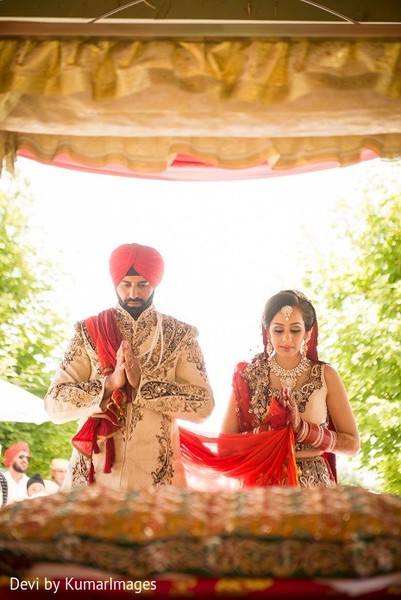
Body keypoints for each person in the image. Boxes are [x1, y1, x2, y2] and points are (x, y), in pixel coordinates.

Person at [44, 242, 215, 492]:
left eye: (143, 284)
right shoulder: (88, 332)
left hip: (154, 482)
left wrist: (142, 386)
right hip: (92, 481)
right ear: (116, 283)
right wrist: (109, 384)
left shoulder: (180, 336)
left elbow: (203, 405)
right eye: (126, 284)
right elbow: (54, 403)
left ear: (154, 283)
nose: (134, 293)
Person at [220, 289, 360, 487]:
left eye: (295, 330)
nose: (286, 338)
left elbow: (352, 444)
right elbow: (225, 449)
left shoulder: (325, 375)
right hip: (261, 491)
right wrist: (270, 430)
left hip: (313, 492)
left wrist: (302, 429)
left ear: (308, 333)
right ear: (267, 331)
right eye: (278, 330)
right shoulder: (248, 377)